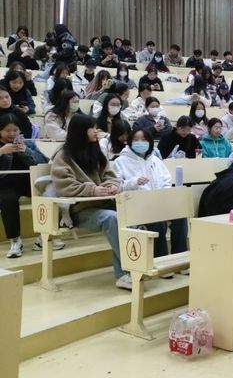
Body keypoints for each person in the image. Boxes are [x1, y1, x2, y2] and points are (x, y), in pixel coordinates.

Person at [51, 114, 130, 289]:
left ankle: (129, 270)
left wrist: (111, 186)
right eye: (92, 128)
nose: (96, 131)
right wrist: (91, 190)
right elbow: (64, 186)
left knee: (131, 214)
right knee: (112, 219)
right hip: (79, 210)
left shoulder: (96, 151)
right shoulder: (63, 156)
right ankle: (126, 271)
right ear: (80, 131)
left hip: (104, 204)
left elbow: (110, 176)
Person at [113, 128, 188, 260]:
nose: (140, 142)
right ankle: (161, 259)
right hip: (135, 205)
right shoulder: (120, 161)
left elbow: (166, 180)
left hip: (158, 202)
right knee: (157, 220)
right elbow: (117, 188)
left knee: (180, 216)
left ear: (149, 142)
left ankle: (179, 256)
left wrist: (164, 194)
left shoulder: (156, 160)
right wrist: (134, 182)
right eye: (136, 140)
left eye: (143, 140)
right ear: (130, 142)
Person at [0, 114, 43, 257]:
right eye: (7, 130)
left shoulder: (27, 143)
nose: (12, 134)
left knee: (47, 193)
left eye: (15, 130)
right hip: (5, 184)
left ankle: (44, 236)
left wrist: (26, 151)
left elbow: (42, 162)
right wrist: (2, 152)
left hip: (28, 181)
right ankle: (15, 240)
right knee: (8, 200)